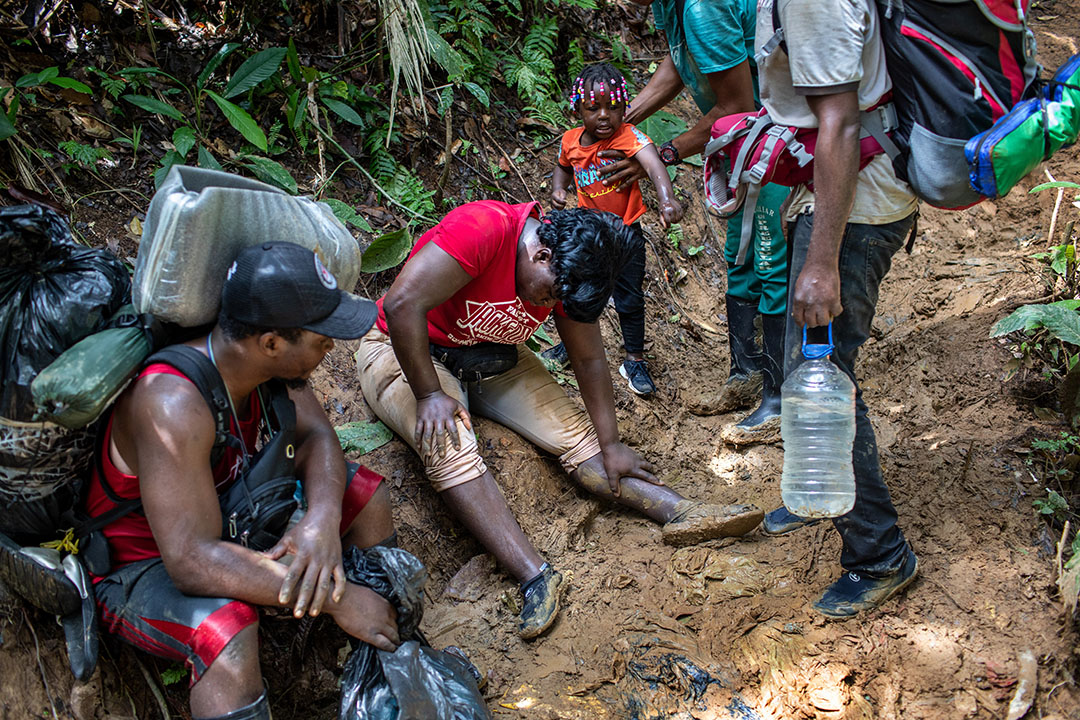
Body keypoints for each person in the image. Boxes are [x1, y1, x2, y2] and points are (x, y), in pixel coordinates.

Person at [355, 201, 763, 639]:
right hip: (406, 351)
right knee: (448, 442)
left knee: (576, 437)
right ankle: (536, 577)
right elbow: (401, 305)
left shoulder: (574, 270)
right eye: (549, 295)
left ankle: (681, 511)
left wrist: (610, 444)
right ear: (540, 254)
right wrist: (430, 393)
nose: (549, 305)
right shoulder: (483, 229)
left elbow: (588, 358)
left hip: (493, 357)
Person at [85, 243, 400, 720]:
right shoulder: (173, 404)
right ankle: (353, 622)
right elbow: (192, 560)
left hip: (237, 514)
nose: (330, 347)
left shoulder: (269, 366)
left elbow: (316, 436)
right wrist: (337, 599)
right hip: (144, 564)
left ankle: (381, 666)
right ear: (271, 342)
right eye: (321, 338)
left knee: (365, 496)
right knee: (228, 631)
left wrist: (321, 519)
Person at [753, 0, 920, 616]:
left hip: (854, 206)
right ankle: (817, 492)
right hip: (847, 192)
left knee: (821, 369)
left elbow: (841, 123)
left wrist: (821, 262)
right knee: (816, 366)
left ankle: (879, 553)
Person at [600, 0, 790, 445]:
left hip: (775, 138)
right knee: (740, 256)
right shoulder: (673, 6)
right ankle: (746, 372)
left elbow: (737, 103)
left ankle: (780, 399)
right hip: (743, 143)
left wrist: (664, 153)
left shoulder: (704, 7)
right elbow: (679, 59)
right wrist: (619, 125)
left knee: (771, 258)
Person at [546, 62, 684, 396]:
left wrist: (667, 200)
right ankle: (570, 344)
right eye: (594, 108)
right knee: (574, 289)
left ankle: (634, 359)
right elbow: (562, 167)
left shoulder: (629, 136)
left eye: (614, 107)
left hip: (625, 235)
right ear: (578, 108)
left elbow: (652, 163)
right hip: (588, 233)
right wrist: (558, 189)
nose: (605, 116)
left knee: (629, 297)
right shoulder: (570, 141)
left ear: (625, 107)